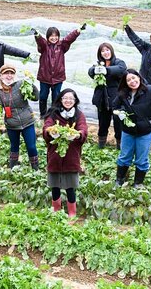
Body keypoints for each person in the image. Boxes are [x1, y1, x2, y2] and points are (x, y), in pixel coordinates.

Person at [111, 69, 151, 188]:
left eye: (134, 78)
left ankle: (138, 183)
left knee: (142, 158)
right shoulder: (123, 94)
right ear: (125, 83)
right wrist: (120, 112)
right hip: (128, 131)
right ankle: (119, 180)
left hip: (145, 131)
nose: (132, 81)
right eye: (128, 80)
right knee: (124, 156)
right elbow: (115, 106)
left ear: (139, 77)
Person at [42, 88, 88, 217]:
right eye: (65, 98)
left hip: (71, 156)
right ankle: (56, 210)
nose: (68, 101)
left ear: (75, 101)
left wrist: (77, 135)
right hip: (55, 155)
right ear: (61, 100)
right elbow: (46, 127)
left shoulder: (79, 115)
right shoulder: (53, 114)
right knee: (55, 185)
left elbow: (83, 129)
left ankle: (72, 213)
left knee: (70, 186)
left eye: (71, 99)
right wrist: (51, 132)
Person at [0, 64, 40, 170]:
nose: (9, 76)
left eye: (11, 73)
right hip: (11, 123)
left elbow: (35, 98)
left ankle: (35, 168)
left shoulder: (21, 84)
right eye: (6, 73)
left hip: (27, 120)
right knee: (14, 146)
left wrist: (31, 86)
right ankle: (13, 166)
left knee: (31, 146)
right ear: (1, 75)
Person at [32, 24, 83, 116]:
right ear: (48, 37)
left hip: (58, 77)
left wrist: (78, 31)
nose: (54, 38)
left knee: (56, 97)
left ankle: (53, 115)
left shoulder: (62, 46)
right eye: (51, 36)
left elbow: (69, 39)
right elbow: (41, 42)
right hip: (45, 77)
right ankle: (43, 114)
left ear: (58, 37)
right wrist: (37, 35)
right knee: (43, 96)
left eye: (56, 36)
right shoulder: (44, 47)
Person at [87, 43, 127, 149]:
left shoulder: (118, 62)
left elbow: (121, 69)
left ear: (111, 51)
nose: (106, 53)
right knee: (103, 122)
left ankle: (120, 145)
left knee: (118, 123)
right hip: (102, 99)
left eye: (107, 50)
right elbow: (90, 71)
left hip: (116, 99)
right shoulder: (98, 64)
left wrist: (107, 70)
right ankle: (101, 144)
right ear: (100, 53)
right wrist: (94, 70)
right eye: (103, 51)